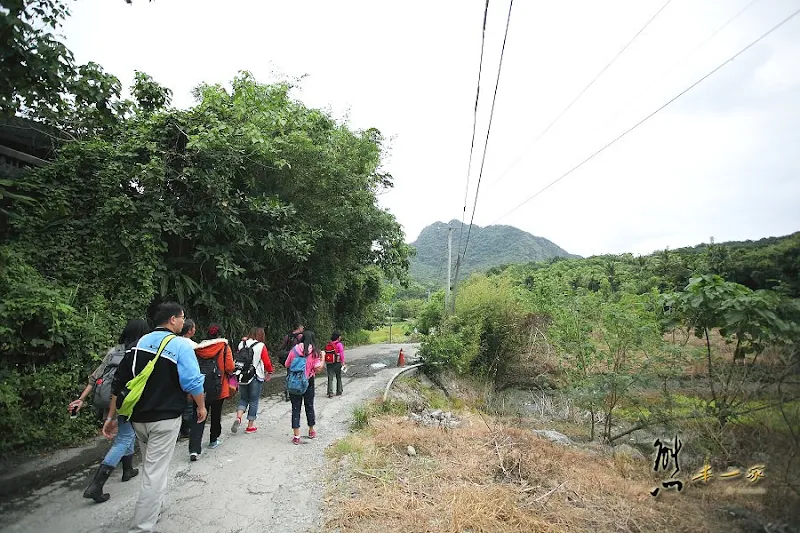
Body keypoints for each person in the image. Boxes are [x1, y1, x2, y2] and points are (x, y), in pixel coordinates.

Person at [104, 302, 206, 533]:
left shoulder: (138, 344)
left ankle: (154, 508)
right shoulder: (180, 345)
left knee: (151, 466)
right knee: (155, 471)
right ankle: (142, 527)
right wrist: (201, 406)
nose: (183, 321)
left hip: (137, 418)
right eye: (182, 318)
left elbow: (118, 383)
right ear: (172, 319)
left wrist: (111, 417)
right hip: (165, 418)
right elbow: (191, 381)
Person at [71, 319, 150, 503]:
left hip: (111, 399)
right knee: (124, 438)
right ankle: (96, 485)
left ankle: (128, 470)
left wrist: (81, 399)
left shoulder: (114, 351)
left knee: (126, 435)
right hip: (128, 401)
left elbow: (95, 377)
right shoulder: (139, 353)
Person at [189, 323, 234, 460]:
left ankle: (194, 449)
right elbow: (230, 367)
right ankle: (213, 439)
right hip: (218, 386)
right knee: (216, 413)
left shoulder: (198, 348)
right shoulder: (224, 346)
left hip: (199, 387)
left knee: (198, 415)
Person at [232, 327, 274, 434]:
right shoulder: (261, 346)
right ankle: (250, 426)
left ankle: (238, 417)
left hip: (242, 375)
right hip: (255, 376)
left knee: (243, 398)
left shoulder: (241, 344)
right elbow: (267, 362)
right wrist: (269, 372)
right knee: (254, 400)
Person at [284, 329, 323, 445]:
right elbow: (318, 368)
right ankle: (311, 431)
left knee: (295, 408)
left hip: (294, 382)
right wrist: (323, 358)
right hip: (308, 381)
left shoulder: (294, 349)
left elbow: (287, 364)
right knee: (309, 406)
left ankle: (296, 436)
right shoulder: (315, 352)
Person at [178, 318, 197, 439]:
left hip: (174, 379)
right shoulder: (193, 345)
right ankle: (186, 430)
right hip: (187, 379)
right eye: (194, 328)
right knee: (188, 406)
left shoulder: (174, 341)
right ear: (190, 330)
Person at [278, 323, 304, 401]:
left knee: (289, 374)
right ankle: (298, 391)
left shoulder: (288, 336)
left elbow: (282, 347)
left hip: (289, 357)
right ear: (299, 328)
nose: (303, 329)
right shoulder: (300, 336)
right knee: (299, 374)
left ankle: (287, 393)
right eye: (302, 327)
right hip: (298, 357)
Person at [325, 332, 346, 399]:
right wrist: (343, 362)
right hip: (337, 363)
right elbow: (341, 354)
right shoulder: (339, 344)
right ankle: (339, 391)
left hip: (329, 363)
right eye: (340, 336)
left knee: (330, 378)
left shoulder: (329, 344)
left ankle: (330, 392)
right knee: (338, 377)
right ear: (338, 337)